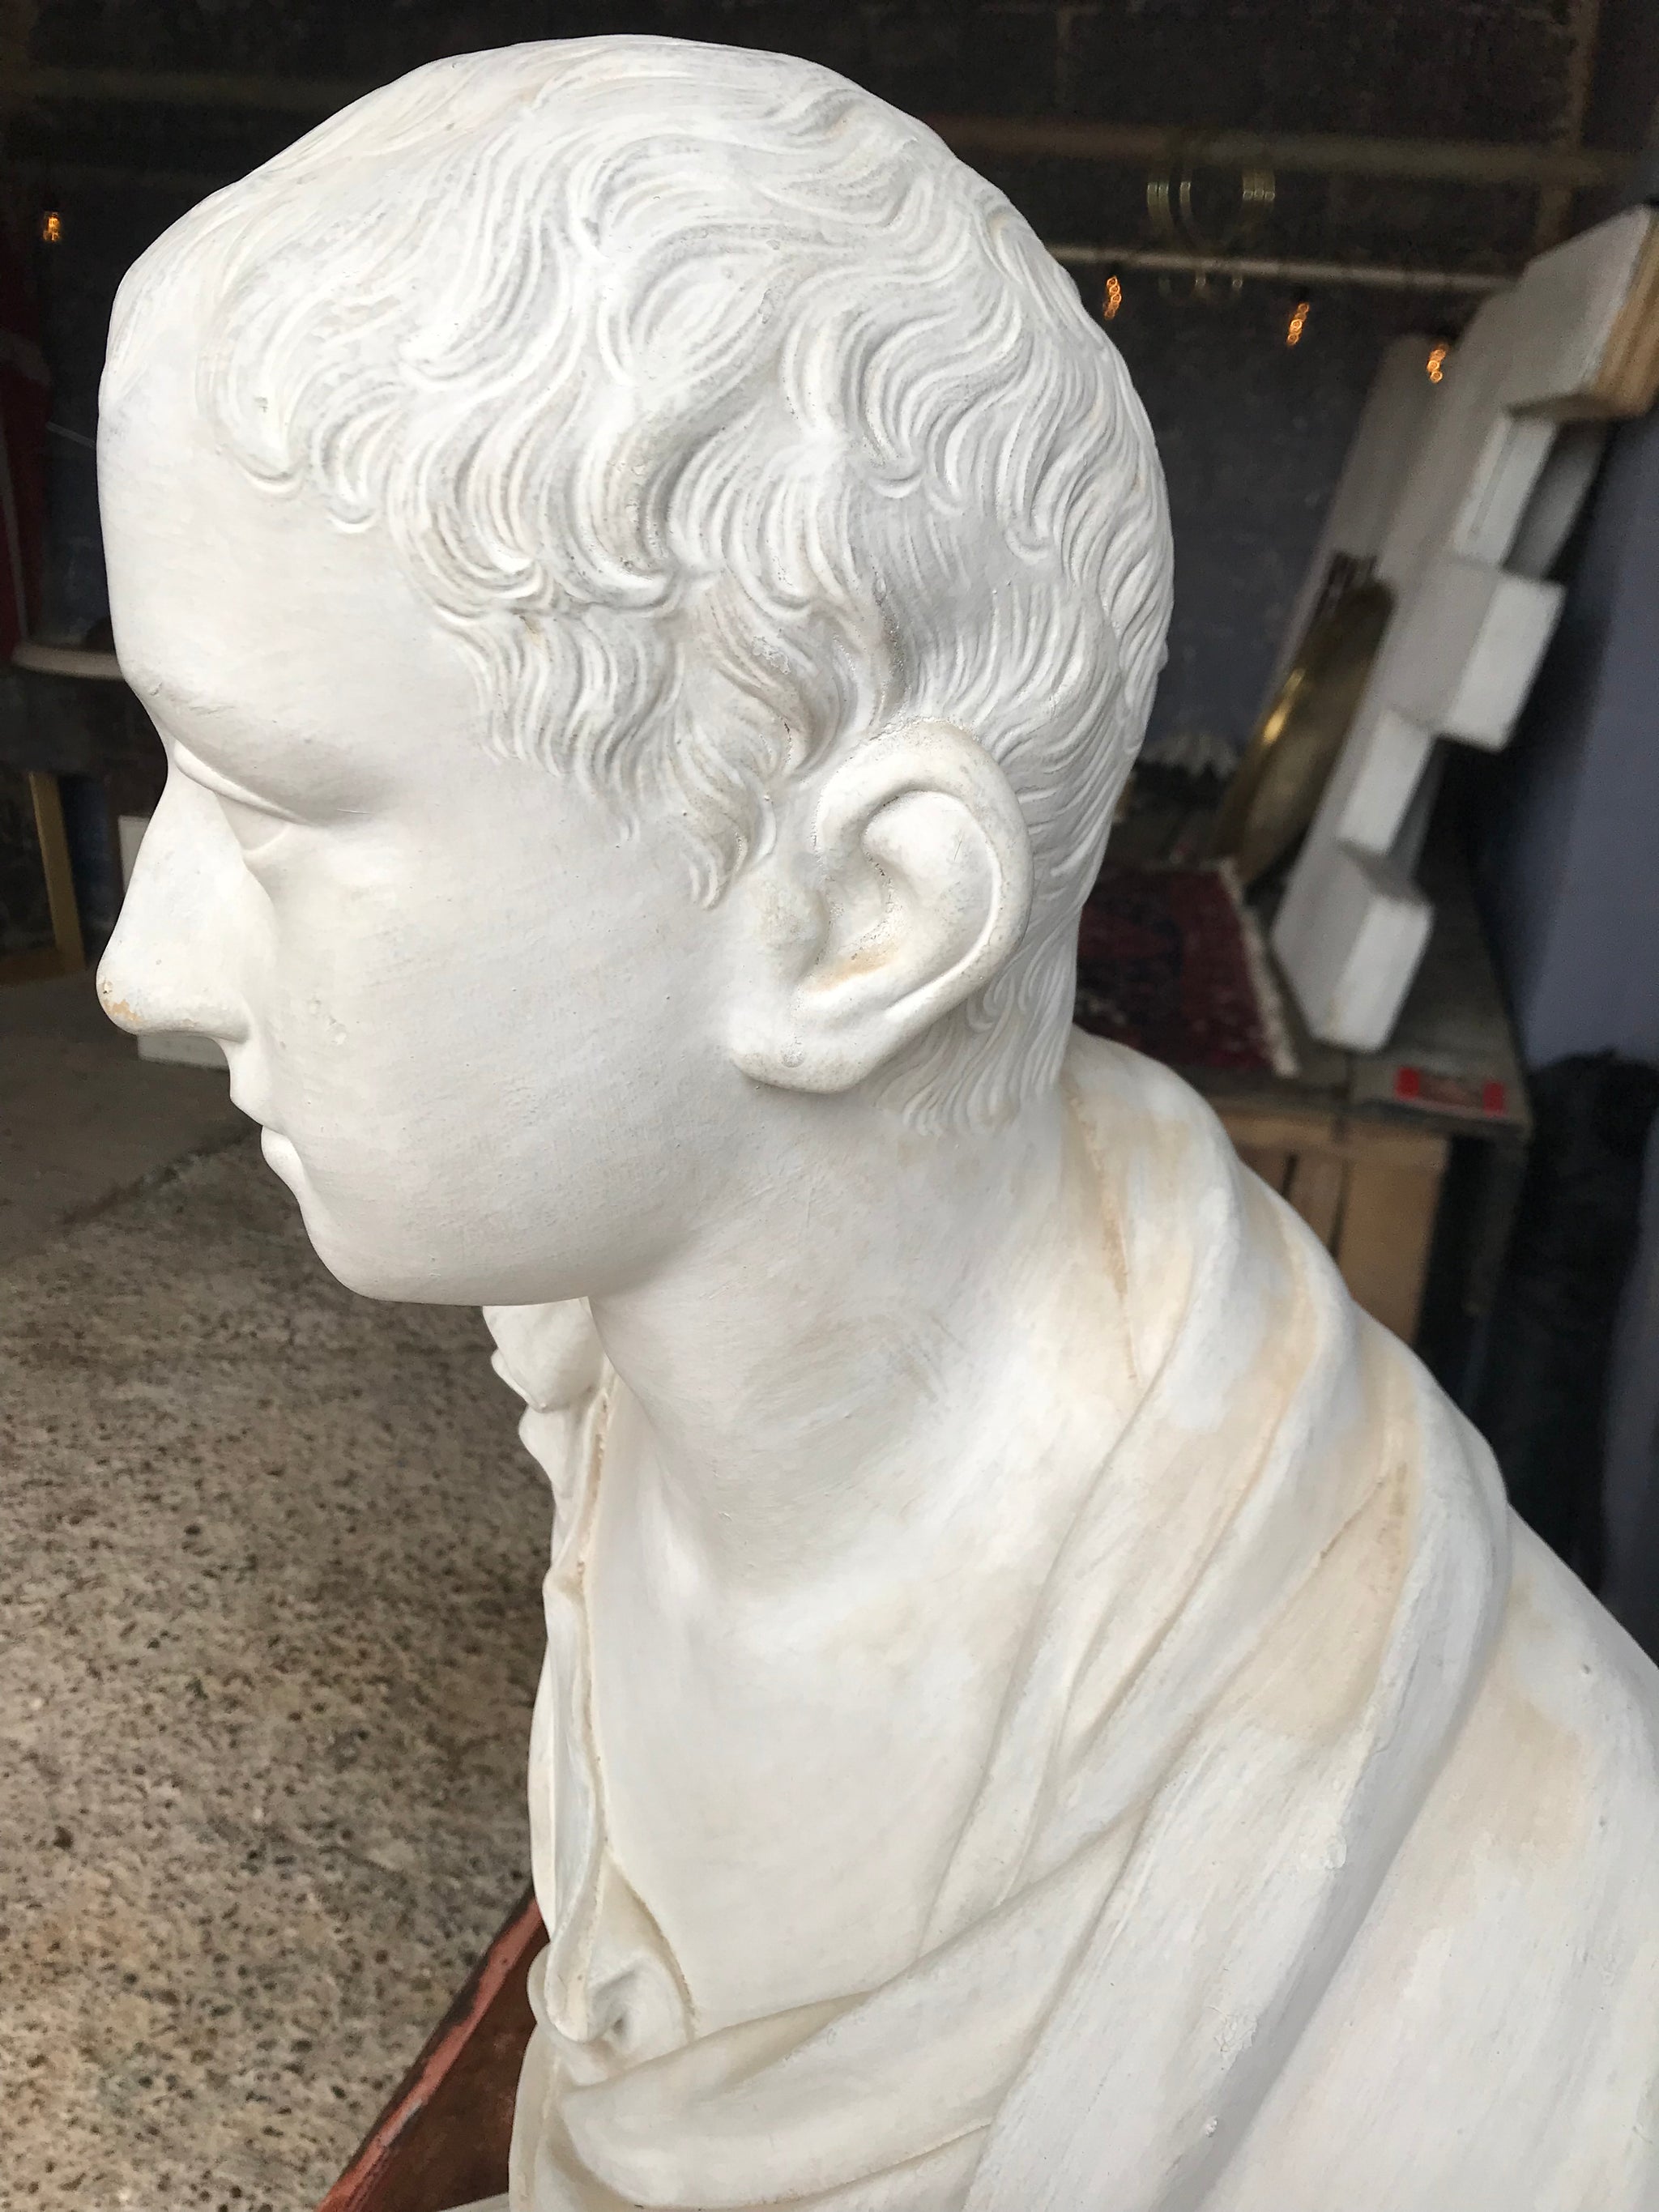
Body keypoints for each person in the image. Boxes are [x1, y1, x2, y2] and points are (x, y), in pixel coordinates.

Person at [96, 38, 1659, 2212]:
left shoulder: (1532, 1955)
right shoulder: (621, 1388)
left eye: (269, 804)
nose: (140, 970)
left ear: (859, 920)